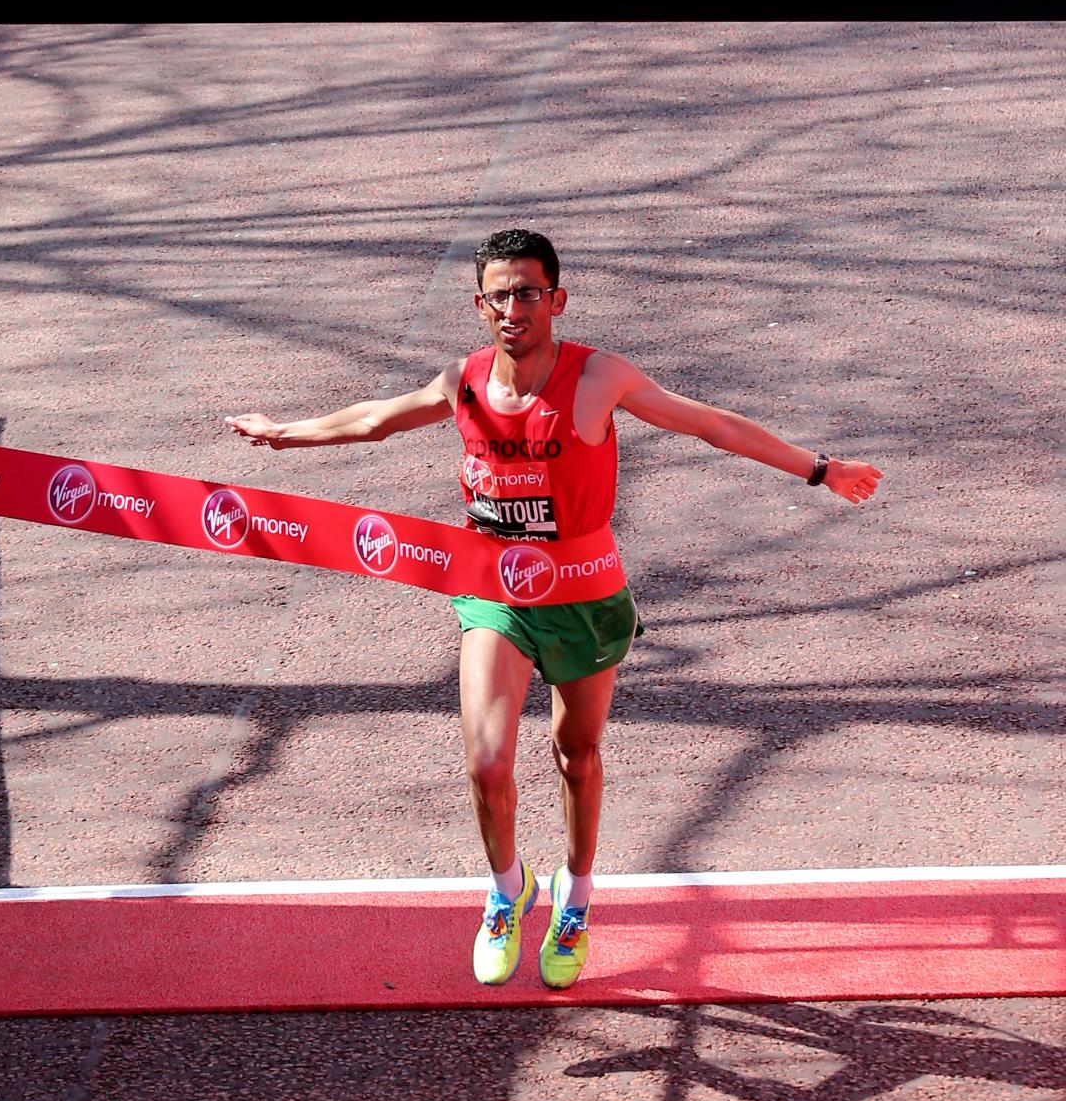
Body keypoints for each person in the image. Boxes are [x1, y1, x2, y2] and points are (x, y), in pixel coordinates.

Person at [225, 227, 882, 990]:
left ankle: (576, 895)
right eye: (499, 294)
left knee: (577, 757)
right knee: (487, 756)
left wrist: (821, 469)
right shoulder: (462, 381)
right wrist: (282, 435)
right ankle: (507, 891)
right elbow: (374, 417)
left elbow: (711, 423)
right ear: (480, 305)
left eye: (529, 292)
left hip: (585, 594)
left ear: (556, 299)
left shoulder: (599, 378)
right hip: (496, 592)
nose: (514, 307)